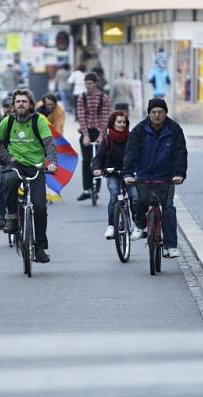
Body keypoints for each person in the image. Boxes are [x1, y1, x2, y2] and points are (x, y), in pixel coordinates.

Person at [0, 89, 58, 263]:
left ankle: (41, 248)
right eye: (18, 101)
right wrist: (7, 157)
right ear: (13, 105)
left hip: (36, 166)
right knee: (9, 180)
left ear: (31, 105)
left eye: (24, 101)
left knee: (40, 207)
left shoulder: (39, 121)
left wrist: (51, 161)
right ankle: (12, 215)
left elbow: (49, 143)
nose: (21, 104)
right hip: (15, 163)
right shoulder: (8, 121)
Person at [122, 98, 187, 259]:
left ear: (166, 113)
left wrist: (179, 174)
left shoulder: (174, 129)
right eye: (154, 112)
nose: (157, 115)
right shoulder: (139, 130)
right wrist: (128, 174)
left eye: (160, 112)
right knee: (138, 201)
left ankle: (170, 246)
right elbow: (131, 153)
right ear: (149, 114)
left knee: (168, 209)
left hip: (166, 176)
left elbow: (180, 153)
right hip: (144, 174)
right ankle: (140, 225)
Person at [92, 111, 138, 239]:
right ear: (113, 123)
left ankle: (138, 225)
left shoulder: (131, 139)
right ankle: (111, 226)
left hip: (129, 173)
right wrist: (97, 168)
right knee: (114, 194)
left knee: (135, 197)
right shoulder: (107, 140)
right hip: (112, 173)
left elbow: (138, 155)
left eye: (124, 122)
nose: (122, 124)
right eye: (119, 122)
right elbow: (98, 158)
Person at [75, 72, 110, 201]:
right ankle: (86, 189)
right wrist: (85, 135)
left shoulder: (103, 97)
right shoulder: (82, 97)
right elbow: (81, 116)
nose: (88, 86)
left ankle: (96, 188)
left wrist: (102, 134)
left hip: (99, 130)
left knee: (98, 160)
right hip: (86, 130)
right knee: (86, 160)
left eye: (90, 83)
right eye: (86, 84)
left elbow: (105, 116)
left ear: (96, 83)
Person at [0, 97, 14, 229]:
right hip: (5, 159)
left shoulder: (23, 121)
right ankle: (1, 215)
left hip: (23, 159)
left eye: (11, 106)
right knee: (4, 185)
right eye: (6, 106)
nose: (9, 109)